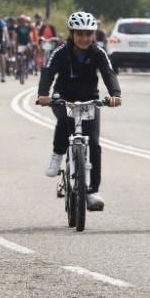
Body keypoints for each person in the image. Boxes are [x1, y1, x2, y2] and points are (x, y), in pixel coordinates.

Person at [36, 11, 121, 211]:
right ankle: (57, 155)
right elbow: (48, 72)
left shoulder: (98, 53)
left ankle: (92, 192)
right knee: (65, 122)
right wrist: (43, 94)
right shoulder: (60, 52)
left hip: (90, 99)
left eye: (88, 34)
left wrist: (115, 94)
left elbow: (109, 73)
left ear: (93, 35)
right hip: (62, 97)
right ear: (72, 34)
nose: (84, 38)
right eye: (79, 34)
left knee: (94, 142)